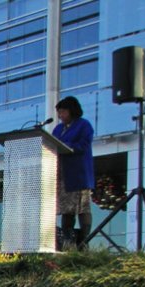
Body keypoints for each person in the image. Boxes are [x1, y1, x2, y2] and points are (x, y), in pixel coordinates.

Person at [52, 96, 95, 250]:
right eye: (59, 112)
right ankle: (67, 243)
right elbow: (52, 143)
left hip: (78, 174)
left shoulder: (84, 125)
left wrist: (66, 145)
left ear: (72, 110)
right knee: (66, 209)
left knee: (82, 208)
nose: (60, 115)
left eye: (63, 111)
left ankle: (84, 242)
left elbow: (83, 145)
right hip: (62, 175)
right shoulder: (57, 129)